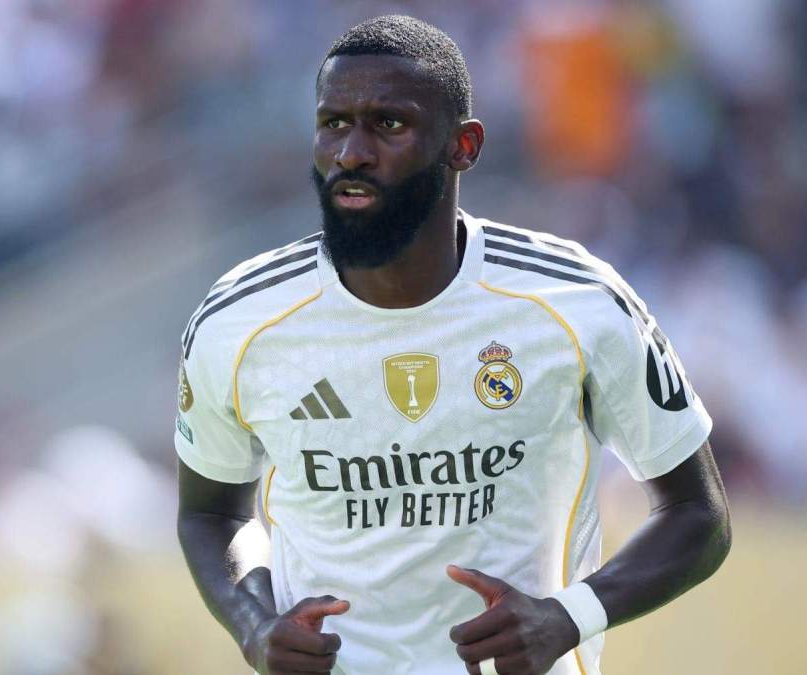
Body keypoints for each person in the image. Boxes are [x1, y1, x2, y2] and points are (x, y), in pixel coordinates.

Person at [174, 15, 730, 675]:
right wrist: (253, 623)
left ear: (463, 146)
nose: (351, 152)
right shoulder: (240, 320)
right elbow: (211, 514)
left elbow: (699, 512)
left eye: (389, 124)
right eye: (333, 123)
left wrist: (568, 616)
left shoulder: (577, 301)